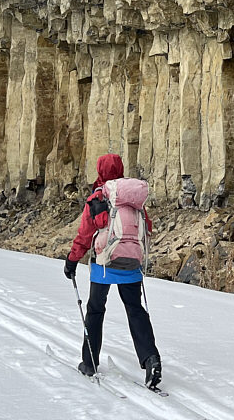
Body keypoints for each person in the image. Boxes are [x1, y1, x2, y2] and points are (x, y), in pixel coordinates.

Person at [63, 153, 162, 388]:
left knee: (95, 310)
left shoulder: (98, 198)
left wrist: (72, 260)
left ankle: (89, 363)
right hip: (131, 265)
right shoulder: (133, 199)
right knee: (135, 310)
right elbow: (146, 228)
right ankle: (151, 358)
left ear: (100, 171)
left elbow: (85, 235)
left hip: (104, 266)